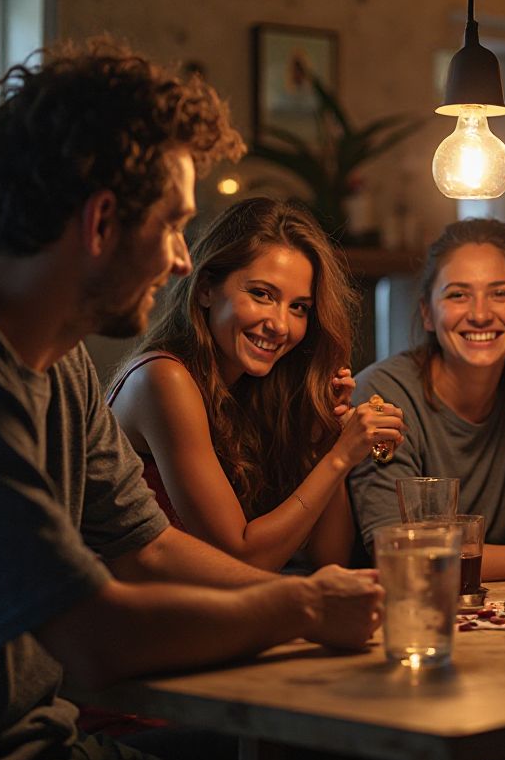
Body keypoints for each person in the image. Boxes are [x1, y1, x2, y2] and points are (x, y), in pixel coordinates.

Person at [0, 40, 388, 760]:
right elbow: (95, 636)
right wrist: (296, 606)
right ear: (101, 222)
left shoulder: (62, 366)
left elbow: (149, 546)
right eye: (174, 226)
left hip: (48, 747)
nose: (183, 258)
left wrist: (333, 599)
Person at [108, 196, 404, 573]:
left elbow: (329, 557)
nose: (280, 325)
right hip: (135, 624)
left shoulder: (251, 389)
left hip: (205, 617)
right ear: (205, 289)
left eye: (299, 307)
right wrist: (341, 455)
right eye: (262, 294)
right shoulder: (164, 379)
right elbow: (241, 560)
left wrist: (323, 439)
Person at [349, 217, 505, 579]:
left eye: (501, 293)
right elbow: (399, 551)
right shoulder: (385, 397)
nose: (480, 314)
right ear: (428, 314)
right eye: (458, 295)